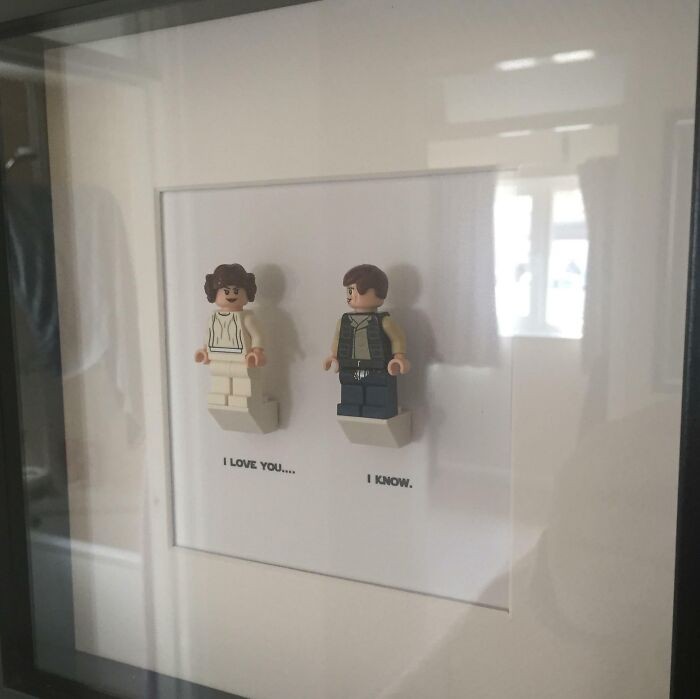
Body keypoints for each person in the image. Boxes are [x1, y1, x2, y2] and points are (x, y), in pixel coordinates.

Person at [323, 264, 410, 419]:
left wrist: (399, 357)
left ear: (379, 293)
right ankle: (351, 409)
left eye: (356, 291)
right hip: (349, 366)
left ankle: (378, 410)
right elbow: (337, 339)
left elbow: (398, 338)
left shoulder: (384, 321)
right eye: (349, 291)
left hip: (377, 367)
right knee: (350, 390)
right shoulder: (343, 322)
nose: (352, 296)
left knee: (377, 390)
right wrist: (333, 356)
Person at [194, 263, 267, 409]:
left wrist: (257, 351)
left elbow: (257, 336)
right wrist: (205, 351)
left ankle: (243, 400)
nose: (231, 295)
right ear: (214, 294)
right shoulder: (213, 318)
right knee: (220, 379)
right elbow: (209, 335)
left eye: (237, 290)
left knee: (243, 379)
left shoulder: (247, 318)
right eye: (226, 291)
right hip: (218, 358)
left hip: (242, 359)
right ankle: (220, 398)